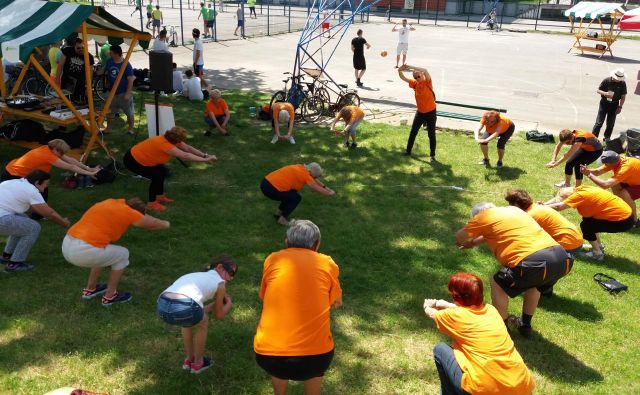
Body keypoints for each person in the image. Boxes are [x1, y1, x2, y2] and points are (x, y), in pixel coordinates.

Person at [455, 203, 572, 336]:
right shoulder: (514, 210)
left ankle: (503, 329)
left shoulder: (482, 217)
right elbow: (496, 231)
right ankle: (525, 325)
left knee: (496, 283)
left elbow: (460, 237)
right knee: (535, 284)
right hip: (561, 258)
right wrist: (474, 243)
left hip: (532, 261)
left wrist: (466, 242)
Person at [254, 220, 342, 395]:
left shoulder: (273, 259)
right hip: (316, 359)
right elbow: (337, 302)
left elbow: (263, 295)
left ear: (287, 243)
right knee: (316, 361)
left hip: (269, 355)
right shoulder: (327, 263)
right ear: (317, 245)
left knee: (279, 366)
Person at [424, 272, 535, 395]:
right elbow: (466, 310)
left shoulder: (455, 317)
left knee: (440, 350)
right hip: (522, 386)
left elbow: (432, 313)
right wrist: (443, 304)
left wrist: (427, 305)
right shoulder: (492, 311)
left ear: (457, 297)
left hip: (484, 390)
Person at [63, 198, 169, 306]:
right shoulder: (130, 213)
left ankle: (90, 289)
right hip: (83, 251)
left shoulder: (111, 202)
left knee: (104, 249)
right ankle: (110, 296)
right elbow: (153, 224)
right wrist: (167, 224)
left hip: (68, 243)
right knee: (123, 254)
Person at [157, 256, 236, 374]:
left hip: (162, 305)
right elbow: (218, 315)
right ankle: (198, 363)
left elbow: (197, 309)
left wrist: (215, 304)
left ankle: (189, 360)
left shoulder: (195, 276)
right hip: (185, 306)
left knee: (188, 320)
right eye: (231, 273)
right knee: (202, 323)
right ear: (219, 267)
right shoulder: (220, 284)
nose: (232, 277)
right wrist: (229, 304)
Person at [123, 127, 217, 211]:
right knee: (156, 176)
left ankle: (159, 196)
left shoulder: (171, 139)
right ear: (175, 140)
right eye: (181, 140)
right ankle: (151, 204)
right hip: (133, 161)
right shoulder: (164, 144)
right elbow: (185, 155)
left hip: (144, 159)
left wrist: (205, 156)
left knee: (162, 171)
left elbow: (188, 148)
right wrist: (205, 160)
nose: (182, 142)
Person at [0, 170, 70, 273]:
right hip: (2, 218)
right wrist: (63, 222)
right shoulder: (31, 190)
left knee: (24, 222)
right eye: (46, 184)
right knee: (33, 227)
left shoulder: (12, 182)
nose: (46, 187)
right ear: (37, 182)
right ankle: (14, 264)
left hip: (4, 214)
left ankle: (7, 256)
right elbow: (49, 213)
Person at [2, 140, 100, 207]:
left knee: (42, 187)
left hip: (18, 170)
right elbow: (71, 167)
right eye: (61, 153)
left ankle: (39, 213)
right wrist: (89, 174)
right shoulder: (48, 156)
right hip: (13, 173)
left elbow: (71, 160)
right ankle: (39, 213)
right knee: (6, 196)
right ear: (55, 149)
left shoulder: (48, 148)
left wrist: (89, 169)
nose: (62, 155)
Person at [546, 185, 634, 261]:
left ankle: (597, 254)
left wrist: (541, 207)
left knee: (587, 226)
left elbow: (559, 206)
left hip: (622, 221)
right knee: (589, 221)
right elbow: (560, 199)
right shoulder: (580, 189)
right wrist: (544, 204)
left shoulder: (579, 196)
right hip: (627, 215)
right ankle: (599, 246)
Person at [505, 189, 583, 255]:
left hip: (567, 246)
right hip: (577, 241)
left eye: (510, 204)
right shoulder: (538, 207)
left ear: (516, 204)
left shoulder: (529, 216)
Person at [261, 163, 335, 225]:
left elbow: (314, 180)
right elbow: (316, 188)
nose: (314, 178)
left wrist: (326, 187)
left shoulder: (301, 167)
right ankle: (282, 220)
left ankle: (278, 214)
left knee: (291, 194)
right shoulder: (305, 175)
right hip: (271, 188)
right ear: (310, 172)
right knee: (296, 198)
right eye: (314, 176)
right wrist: (330, 193)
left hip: (265, 182)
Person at [581, 150, 640, 221]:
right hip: (633, 180)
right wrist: (587, 171)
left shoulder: (625, 168)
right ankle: (624, 211)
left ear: (611, 163)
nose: (605, 165)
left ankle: (633, 220)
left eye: (606, 164)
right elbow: (598, 172)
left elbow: (605, 185)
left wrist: (589, 174)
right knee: (615, 185)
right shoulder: (617, 160)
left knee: (625, 194)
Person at [397, 64, 436, 161]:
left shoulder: (428, 82)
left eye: (418, 76)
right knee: (413, 132)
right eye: (415, 77)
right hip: (420, 113)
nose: (417, 78)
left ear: (422, 75)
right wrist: (400, 70)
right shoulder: (415, 84)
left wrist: (411, 67)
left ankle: (432, 156)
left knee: (431, 134)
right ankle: (408, 151)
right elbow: (403, 77)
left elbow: (425, 69)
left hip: (431, 112)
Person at [103, 45, 135, 135]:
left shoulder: (126, 64)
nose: (109, 53)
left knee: (129, 113)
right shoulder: (109, 61)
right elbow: (106, 72)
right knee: (110, 112)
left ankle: (130, 129)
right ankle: (108, 129)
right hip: (112, 93)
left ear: (116, 54)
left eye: (111, 52)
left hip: (123, 93)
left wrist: (128, 93)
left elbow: (130, 79)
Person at [592, 68, 627, 141]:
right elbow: (598, 90)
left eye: (619, 79)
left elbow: (623, 96)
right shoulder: (606, 80)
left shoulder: (622, 83)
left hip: (614, 104)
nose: (618, 80)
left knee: (610, 123)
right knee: (599, 123)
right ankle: (593, 138)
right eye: (617, 78)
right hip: (604, 103)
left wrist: (620, 107)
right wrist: (605, 93)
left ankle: (607, 137)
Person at [57, 38, 95, 103]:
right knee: (65, 102)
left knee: (79, 103)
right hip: (67, 82)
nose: (81, 49)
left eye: (83, 47)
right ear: (74, 46)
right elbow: (60, 65)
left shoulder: (89, 57)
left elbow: (90, 73)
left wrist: (88, 86)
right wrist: (57, 79)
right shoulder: (67, 51)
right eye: (78, 48)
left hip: (80, 84)